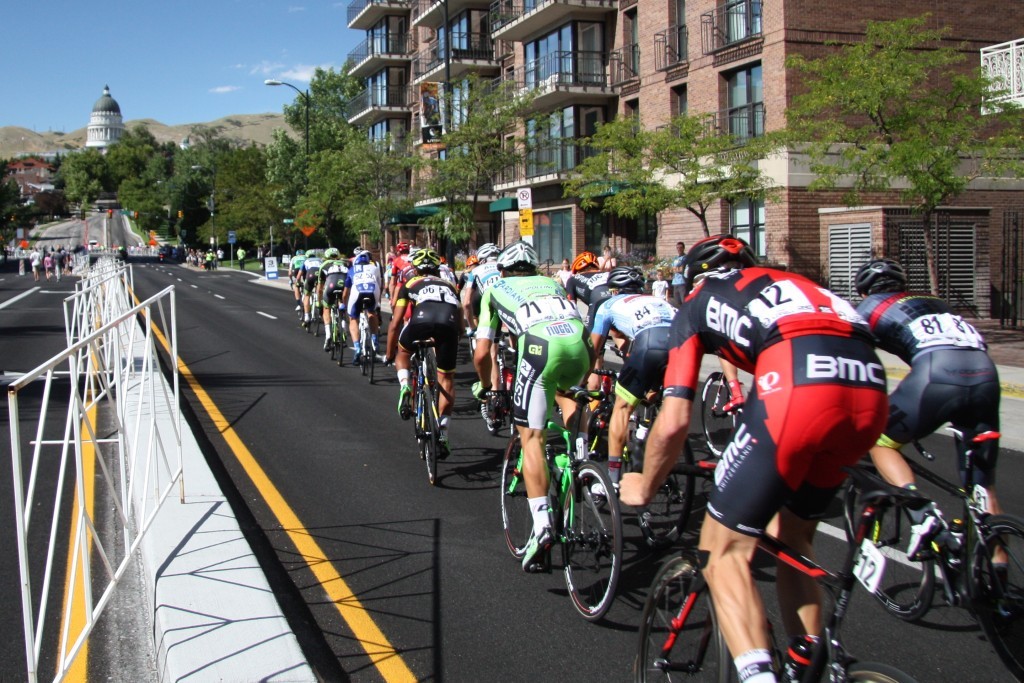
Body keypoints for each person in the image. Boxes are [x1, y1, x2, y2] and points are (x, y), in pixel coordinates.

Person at [620, 235, 888, 683]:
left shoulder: (699, 301)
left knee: (722, 550)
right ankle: (809, 660)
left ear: (691, 278)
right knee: (793, 537)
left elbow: (673, 421)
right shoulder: (795, 281)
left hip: (799, 383)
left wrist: (645, 485)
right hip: (869, 386)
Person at [853, 258, 1004, 559]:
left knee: (880, 441)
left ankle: (921, 515)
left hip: (937, 375)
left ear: (864, 290)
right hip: (986, 375)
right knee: (982, 486)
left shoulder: (869, 308)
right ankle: (996, 575)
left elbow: (857, 363)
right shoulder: (938, 302)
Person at [471, 241, 595, 571]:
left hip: (542, 347)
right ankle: (582, 465)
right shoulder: (552, 283)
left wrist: (485, 389)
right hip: (580, 344)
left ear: (503, 271)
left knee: (532, 437)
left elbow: (483, 353)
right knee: (569, 396)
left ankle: (541, 526)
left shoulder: (494, 289)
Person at [588, 266, 676, 489]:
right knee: (654, 395)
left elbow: (593, 349)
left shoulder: (608, 305)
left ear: (615, 290)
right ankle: (648, 435)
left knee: (622, 408)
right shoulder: (659, 302)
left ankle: (613, 482)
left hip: (650, 344)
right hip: (681, 345)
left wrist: (580, 379)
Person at [385, 248, 463, 457]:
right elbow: (461, 322)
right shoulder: (449, 285)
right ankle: (444, 432)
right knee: (446, 379)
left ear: (416, 269)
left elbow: (395, 322)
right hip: (448, 324)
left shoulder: (410, 283)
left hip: (420, 321)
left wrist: (391, 353)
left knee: (403, 353)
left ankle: (404, 386)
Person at [343, 248, 383, 364]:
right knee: (372, 312)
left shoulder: (351, 270)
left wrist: (343, 304)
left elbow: (346, 293)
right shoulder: (374, 268)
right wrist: (378, 304)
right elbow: (380, 286)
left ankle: (357, 348)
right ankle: (375, 339)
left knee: (353, 318)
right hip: (373, 291)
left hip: (357, 293)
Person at [316, 248, 349, 352]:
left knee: (327, 308)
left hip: (330, 286)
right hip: (343, 286)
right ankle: (343, 329)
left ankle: (328, 335)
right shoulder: (345, 263)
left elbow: (320, 288)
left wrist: (319, 302)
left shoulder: (324, 265)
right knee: (343, 305)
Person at [300, 250, 323, 327]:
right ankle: (318, 303)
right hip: (320, 274)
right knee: (319, 291)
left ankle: (307, 317)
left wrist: (297, 282)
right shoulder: (320, 260)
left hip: (310, 274)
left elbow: (299, 274)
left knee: (307, 295)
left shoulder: (306, 260)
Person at [289, 249, 307, 314]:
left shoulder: (294, 258)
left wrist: (291, 280)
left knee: (296, 286)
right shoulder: (306, 257)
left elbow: (290, 273)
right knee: (306, 284)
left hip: (296, 270)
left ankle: (299, 304)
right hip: (306, 270)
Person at [670, 240, 687, 307]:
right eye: (677, 248)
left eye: (680, 247)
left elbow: (682, 269)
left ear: (683, 248)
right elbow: (672, 269)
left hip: (682, 281)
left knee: (684, 301)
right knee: (677, 302)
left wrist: (675, 269)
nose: (679, 249)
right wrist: (674, 270)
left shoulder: (685, 257)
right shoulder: (675, 258)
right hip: (675, 282)